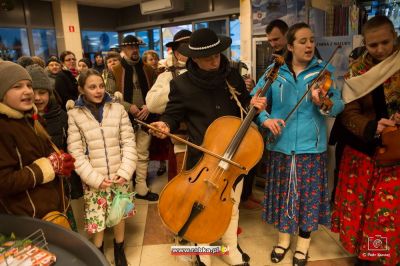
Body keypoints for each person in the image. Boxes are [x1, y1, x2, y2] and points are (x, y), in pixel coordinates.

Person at [150, 28, 267, 266]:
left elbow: (243, 104)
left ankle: (229, 248)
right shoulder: (181, 84)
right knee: (200, 205)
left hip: (234, 154)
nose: (215, 61)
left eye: (217, 55)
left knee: (230, 206)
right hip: (203, 158)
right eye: (207, 58)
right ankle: (202, 252)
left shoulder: (232, 75)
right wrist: (164, 124)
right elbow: (173, 114)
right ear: (194, 58)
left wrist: (252, 103)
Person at [253, 22, 344, 266]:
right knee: (284, 196)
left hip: (311, 149)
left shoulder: (323, 72)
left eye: (312, 40)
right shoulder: (275, 71)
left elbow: (338, 106)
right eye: (303, 41)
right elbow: (257, 99)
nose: (309, 45)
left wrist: (322, 101)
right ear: (290, 46)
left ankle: (302, 247)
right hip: (280, 146)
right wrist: (266, 119)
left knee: (308, 199)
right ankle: (283, 242)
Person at [331, 15, 400, 266]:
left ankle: (390, 255)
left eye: (385, 42)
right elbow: (348, 112)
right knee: (367, 215)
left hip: (397, 151)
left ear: (394, 36)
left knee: (389, 214)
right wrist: (372, 126)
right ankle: (370, 255)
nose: (380, 49)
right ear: (365, 43)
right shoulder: (357, 70)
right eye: (373, 45)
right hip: (365, 153)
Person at [67, 69, 137, 266]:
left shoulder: (117, 109)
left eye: (100, 86)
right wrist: (94, 179)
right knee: (96, 220)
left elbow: (129, 142)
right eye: (92, 87)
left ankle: (119, 248)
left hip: (118, 175)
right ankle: (97, 252)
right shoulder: (75, 114)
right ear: (82, 89)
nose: (98, 91)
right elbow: (76, 152)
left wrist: (125, 171)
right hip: (94, 179)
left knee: (119, 213)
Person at [0, 61, 75, 221]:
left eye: (28, 85)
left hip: (51, 210)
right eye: (17, 86)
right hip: (28, 220)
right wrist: (47, 167)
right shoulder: (4, 127)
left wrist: (59, 160)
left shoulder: (32, 119)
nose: (27, 91)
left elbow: (40, 155)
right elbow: (4, 182)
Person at [111, 35, 159, 201]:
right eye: (130, 47)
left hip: (146, 117)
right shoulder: (114, 70)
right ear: (123, 50)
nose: (135, 50)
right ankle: (127, 189)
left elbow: (156, 92)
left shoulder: (149, 69)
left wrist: (149, 106)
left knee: (143, 153)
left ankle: (141, 189)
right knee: (126, 154)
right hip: (124, 120)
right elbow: (109, 95)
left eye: (136, 47)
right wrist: (128, 106)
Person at [146, 29, 191, 180]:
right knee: (180, 183)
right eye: (185, 47)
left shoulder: (208, 71)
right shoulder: (167, 75)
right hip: (181, 140)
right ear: (177, 53)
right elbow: (152, 104)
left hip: (210, 140)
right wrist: (181, 83)